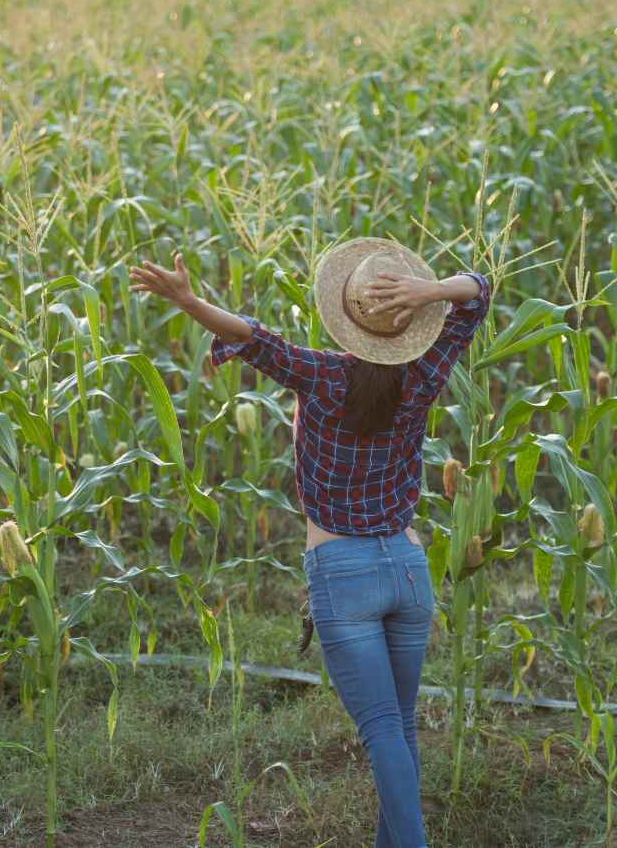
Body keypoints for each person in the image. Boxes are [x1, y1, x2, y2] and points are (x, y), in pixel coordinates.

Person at [128, 238, 489, 848]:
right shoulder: (425, 374)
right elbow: (478, 293)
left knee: (381, 732)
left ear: (344, 318)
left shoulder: (321, 376)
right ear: (412, 324)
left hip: (343, 574)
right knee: (398, 729)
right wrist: (430, 292)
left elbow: (253, 336)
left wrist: (188, 301)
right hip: (407, 567)